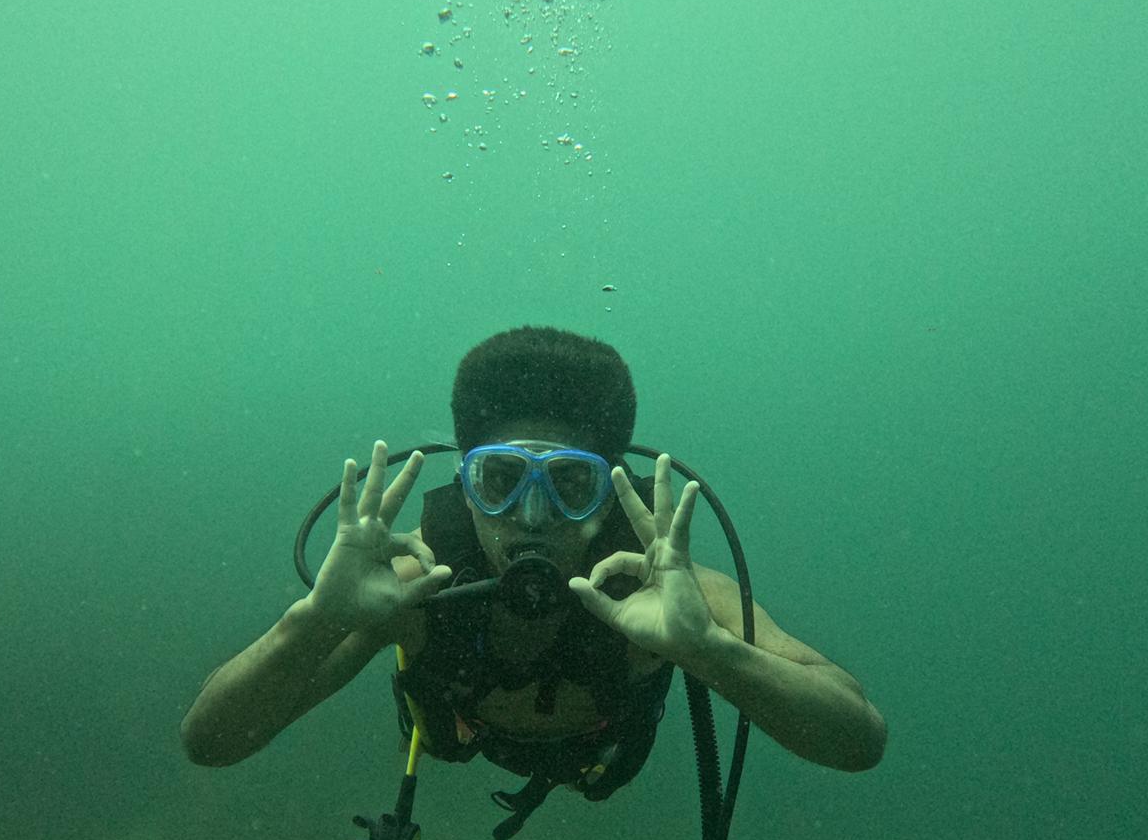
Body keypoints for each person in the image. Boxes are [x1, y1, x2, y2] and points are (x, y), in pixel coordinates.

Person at [180, 327, 886, 806]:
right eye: (501, 480)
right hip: (457, 739)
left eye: (571, 486)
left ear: (609, 493)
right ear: (466, 488)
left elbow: (858, 739)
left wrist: (709, 651)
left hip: (603, 760)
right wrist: (314, 621)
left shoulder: (666, 589)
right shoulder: (412, 583)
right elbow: (209, 742)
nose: (532, 516)